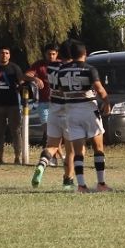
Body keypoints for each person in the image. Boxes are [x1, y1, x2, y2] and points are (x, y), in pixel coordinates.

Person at [56, 40, 112, 193]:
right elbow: (99, 89)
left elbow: (61, 91)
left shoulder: (61, 70)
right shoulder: (89, 68)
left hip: (71, 112)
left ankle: (81, 186)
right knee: (98, 147)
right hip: (88, 109)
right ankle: (101, 183)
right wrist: (107, 102)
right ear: (84, 53)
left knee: (78, 151)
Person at [30, 40, 77, 190]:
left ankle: (42, 164)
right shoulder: (72, 68)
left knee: (51, 145)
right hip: (67, 110)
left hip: (54, 109)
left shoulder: (50, 68)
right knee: (71, 150)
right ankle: (68, 180)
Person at [0, 46, 28, 165]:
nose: (4, 55)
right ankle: (0, 157)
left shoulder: (15, 68)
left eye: (6, 53)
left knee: (15, 131)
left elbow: (21, 83)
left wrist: (22, 93)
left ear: (9, 55)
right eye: (2, 53)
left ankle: (17, 157)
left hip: (13, 105)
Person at [26, 43, 63, 167]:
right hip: (43, 103)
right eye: (49, 54)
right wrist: (35, 79)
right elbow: (26, 75)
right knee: (49, 131)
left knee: (58, 131)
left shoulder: (61, 65)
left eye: (53, 54)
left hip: (58, 102)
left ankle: (54, 156)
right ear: (45, 54)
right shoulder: (39, 65)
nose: (51, 56)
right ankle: (59, 155)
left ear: (57, 54)